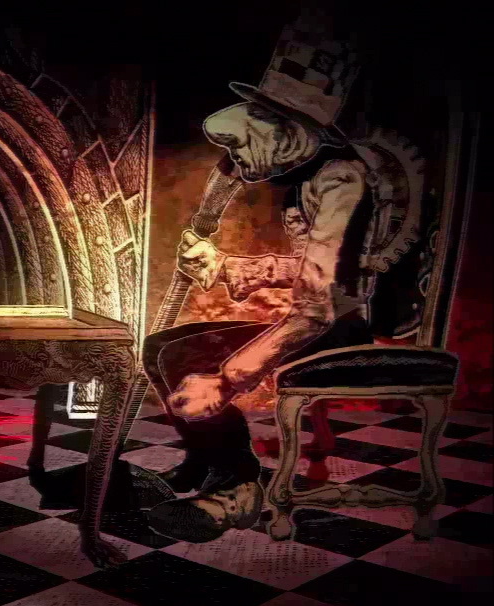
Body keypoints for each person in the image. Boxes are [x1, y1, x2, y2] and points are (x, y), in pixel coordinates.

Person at [140, 86, 376, 544]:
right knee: (159, 346)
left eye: (239, 145)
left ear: (285, 134)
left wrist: (227, 381)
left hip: (339, 328)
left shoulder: (342, 180)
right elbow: (317, 266)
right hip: (319, 317)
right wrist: (228, 265)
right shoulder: (308, 180)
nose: (234, 158)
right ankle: (205, 462)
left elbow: (318, 306)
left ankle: (237, 487)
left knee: (186, 355)